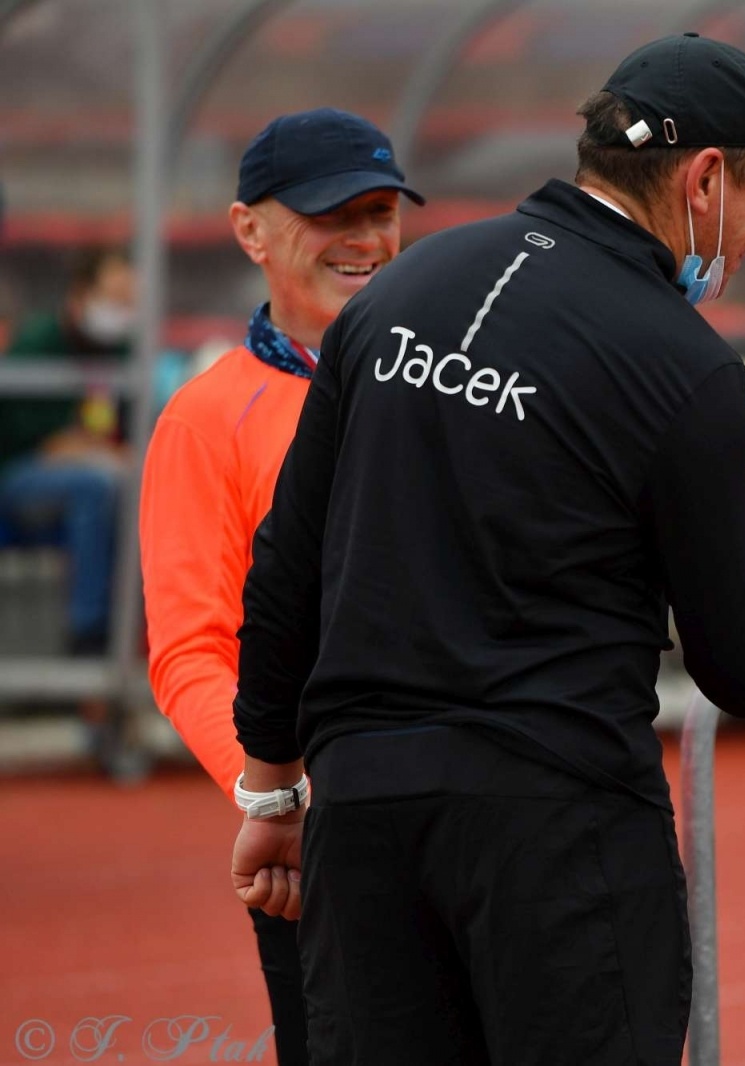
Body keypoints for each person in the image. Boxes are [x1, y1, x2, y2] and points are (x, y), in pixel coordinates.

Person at [228, 33, 745, 1066]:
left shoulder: (397, 291)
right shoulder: (682, 362)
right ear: (705, 178)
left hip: (365, 817)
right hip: (556, 833)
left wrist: (269, 790)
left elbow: (287, 562)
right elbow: (744, 665)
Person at [139, 107, 424, 1066]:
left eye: (380, 211)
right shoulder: (206, 418)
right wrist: (278, 798)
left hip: (479, 813)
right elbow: (190, 651)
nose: (365, 238)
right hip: (321, 834)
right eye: (330, 213)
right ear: (249, 230)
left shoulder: (459, 380)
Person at [0, 247, 134, 655]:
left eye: (128, 298)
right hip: (18, 473)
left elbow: (125, 433)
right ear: (82, 294)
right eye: (114, 297)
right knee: (96, 486)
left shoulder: (121, 349)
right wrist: (93, 452)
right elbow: (35, 440)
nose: (123, 308)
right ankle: (88, 631)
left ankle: (134, 630)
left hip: (89, 474)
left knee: (134, 487)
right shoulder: (39, 341)